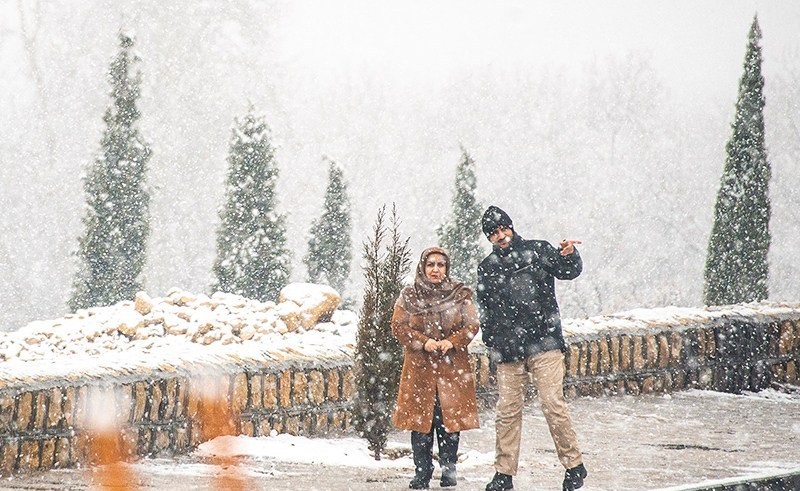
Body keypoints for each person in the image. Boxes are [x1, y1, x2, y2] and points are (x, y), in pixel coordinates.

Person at [477, 206, 588, 491]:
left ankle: (574, 466)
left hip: (544, 343)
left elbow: (568, 271)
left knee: (552, 404)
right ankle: (504, 474)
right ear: (489, 238)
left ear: (511, 227)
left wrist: (570, 254)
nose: (501, 236)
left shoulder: (537, 250)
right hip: (508, 352)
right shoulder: (487, 267)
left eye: (503, 229)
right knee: (507, 412)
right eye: (494, 233)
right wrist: (493, 346)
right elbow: (486, 311)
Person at [392, 247, 481, 489]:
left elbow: (472, 326)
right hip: (419, 369)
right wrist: (423, 342)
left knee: (448, 420)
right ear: (423, 267)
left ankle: (448, 469)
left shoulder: (459, 294)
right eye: (430, 264)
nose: (435, 269)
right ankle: (422, 472)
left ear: (447, 268)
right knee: (421, 422)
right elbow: (398, 326)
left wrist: (450, 342)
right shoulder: (410, 296)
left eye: (440, 265)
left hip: (452, 368)